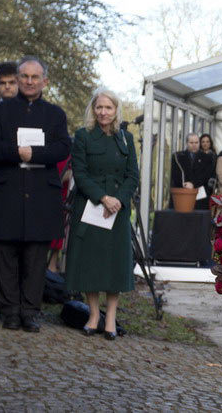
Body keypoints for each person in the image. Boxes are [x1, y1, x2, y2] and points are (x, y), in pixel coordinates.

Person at [0, 56, 71, 333]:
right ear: (17, 80)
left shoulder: (55, 115)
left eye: (35, 77)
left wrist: (36, 154)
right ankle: (9, 311)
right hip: (6, 191)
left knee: (34, 258)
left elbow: (63, 148)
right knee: (4, 255)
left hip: (41, 194)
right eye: (25, 76)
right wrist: (16, 152)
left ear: (44, 81)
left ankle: (30, 312)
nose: (29, 81)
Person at [65, 88, 139, 340]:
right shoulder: (83, 136)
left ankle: (110, 318)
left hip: (118, 209)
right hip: (90, 206)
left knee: (113, 265)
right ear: (93, 110)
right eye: (99, 107)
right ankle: (94, 314)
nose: (103, 112)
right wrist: (103, 198)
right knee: (91, 264)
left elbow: (133, 176)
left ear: (116, 110)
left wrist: (118, 200)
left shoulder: (126, 138)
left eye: (108, 107)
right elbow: (80, 172)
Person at [170, 133, 212, 210]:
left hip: (200, 195)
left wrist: (193, 184)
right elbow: (175, 174)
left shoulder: (207, 157)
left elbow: (206, 175)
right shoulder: (178, 156)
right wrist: (184, 184)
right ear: (187, 143)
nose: (194, 145)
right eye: (191, 143)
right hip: (182, 194)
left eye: (196, 142)